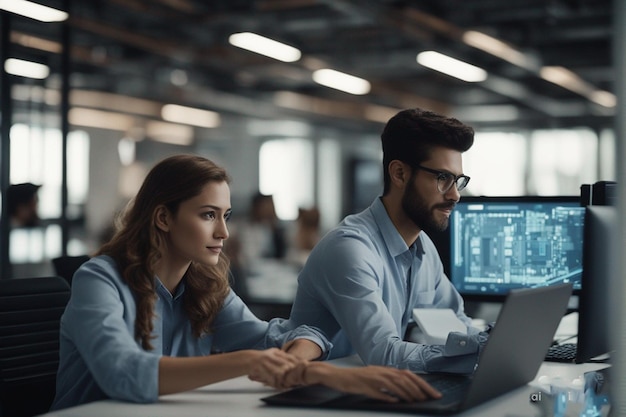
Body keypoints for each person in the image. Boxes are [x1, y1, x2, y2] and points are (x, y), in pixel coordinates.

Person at [51, 154, 440, 411]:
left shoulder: (204, 284)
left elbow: (281, 335)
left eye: (226, 215)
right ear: (163, 218)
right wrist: (255, 362)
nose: (223, 231)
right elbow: (126, 374)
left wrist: (305, 365)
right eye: (207, 215)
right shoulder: (99, 279)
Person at [283, 108, 488, 374]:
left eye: (457, 181)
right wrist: (473, 351)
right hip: (318, 395)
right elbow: (384, 353)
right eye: (442, 178)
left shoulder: (423, 246)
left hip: (374, 389)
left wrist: (492, 346)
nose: (455, 196)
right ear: (400, 174)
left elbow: (456, 324)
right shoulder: (349, 248)